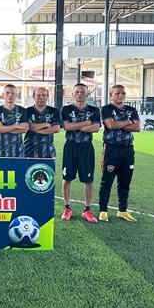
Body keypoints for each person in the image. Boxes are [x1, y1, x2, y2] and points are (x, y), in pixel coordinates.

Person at [99, 84, 141, 223]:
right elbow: (110, 125)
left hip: (128, 149)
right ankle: (103, 211)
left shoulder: (131, 110)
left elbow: (137, 127)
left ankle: (122, 210)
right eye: (117, 93)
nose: (120, 95)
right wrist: (128, 122)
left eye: (123, 93)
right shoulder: (106, 109)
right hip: (111, 148)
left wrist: (119, 123)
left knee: (125, 181)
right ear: (111, 95)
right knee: (107, 180)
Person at [60, 83, 101, 223]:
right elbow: (66, 126)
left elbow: (96, 128)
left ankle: (87, 210)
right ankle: (67, 208)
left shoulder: (94, 110)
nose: (79, 94)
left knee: (88, 180)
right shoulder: (66, 109)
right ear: (72, 94)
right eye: (77, 91)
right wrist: (86, 123)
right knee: (67, 178)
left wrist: (76, 126)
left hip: (86, 147)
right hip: (70, 146)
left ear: (87, 94)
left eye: (82, 91)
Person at [0, 84, 29, 157]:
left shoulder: (22, 110)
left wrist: (3, 128)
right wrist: (18, 126)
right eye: (7, 93)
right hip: (1, 151)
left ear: (16, 95)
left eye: (12, 93)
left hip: (18, 151)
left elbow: (24, 129)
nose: (10, 95)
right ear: (3, 94)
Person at [24, 87, 61, 158]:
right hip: (29, 150)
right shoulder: (26, 111)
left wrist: (35, 129)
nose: (41, 98)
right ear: (33, 97)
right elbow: (27, 127)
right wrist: (46, 124)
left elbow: (56, 129)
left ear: (47, 97)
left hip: (48, 151)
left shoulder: (54, 111)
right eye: (38, 95)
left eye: (44, 95)